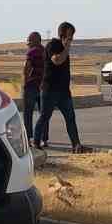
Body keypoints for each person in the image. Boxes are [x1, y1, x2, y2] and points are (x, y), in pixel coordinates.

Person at [35, 21, 82, 153]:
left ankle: (76, 145)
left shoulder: (64, 47)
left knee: (70, 118)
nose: (71, 38)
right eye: (70, 35)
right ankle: (36, 144)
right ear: (63, 34)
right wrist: (66, 49)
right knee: (44, 116)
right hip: (50, 90)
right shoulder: (52, 45)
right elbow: (56, 60)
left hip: (63, 91)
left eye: (72, 36)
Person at [21, 31, 44, 144]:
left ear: (36, 40)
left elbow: (26, 68)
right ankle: (43, 138)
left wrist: (25, 83)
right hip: (44, 87)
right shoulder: (46, 52)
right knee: (43, 114)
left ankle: (28, 138)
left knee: (28, 113)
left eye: (29, 40)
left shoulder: (32, 52)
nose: (28, 42)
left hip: (31, 86)